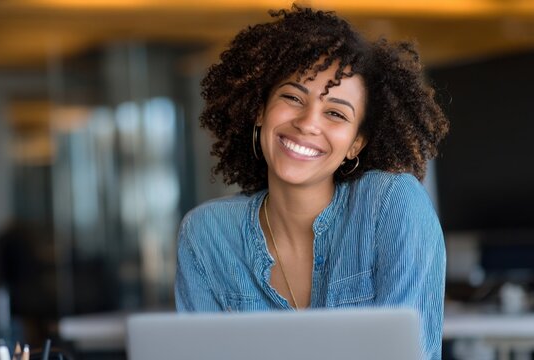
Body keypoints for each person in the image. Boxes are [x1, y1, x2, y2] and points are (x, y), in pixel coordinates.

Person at [175, 6, 449, 360]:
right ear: (261, 110)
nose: (308, 123)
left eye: (335, 113)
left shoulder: (392, 206)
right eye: (292, 98)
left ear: (356, 143)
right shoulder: (206, 235)